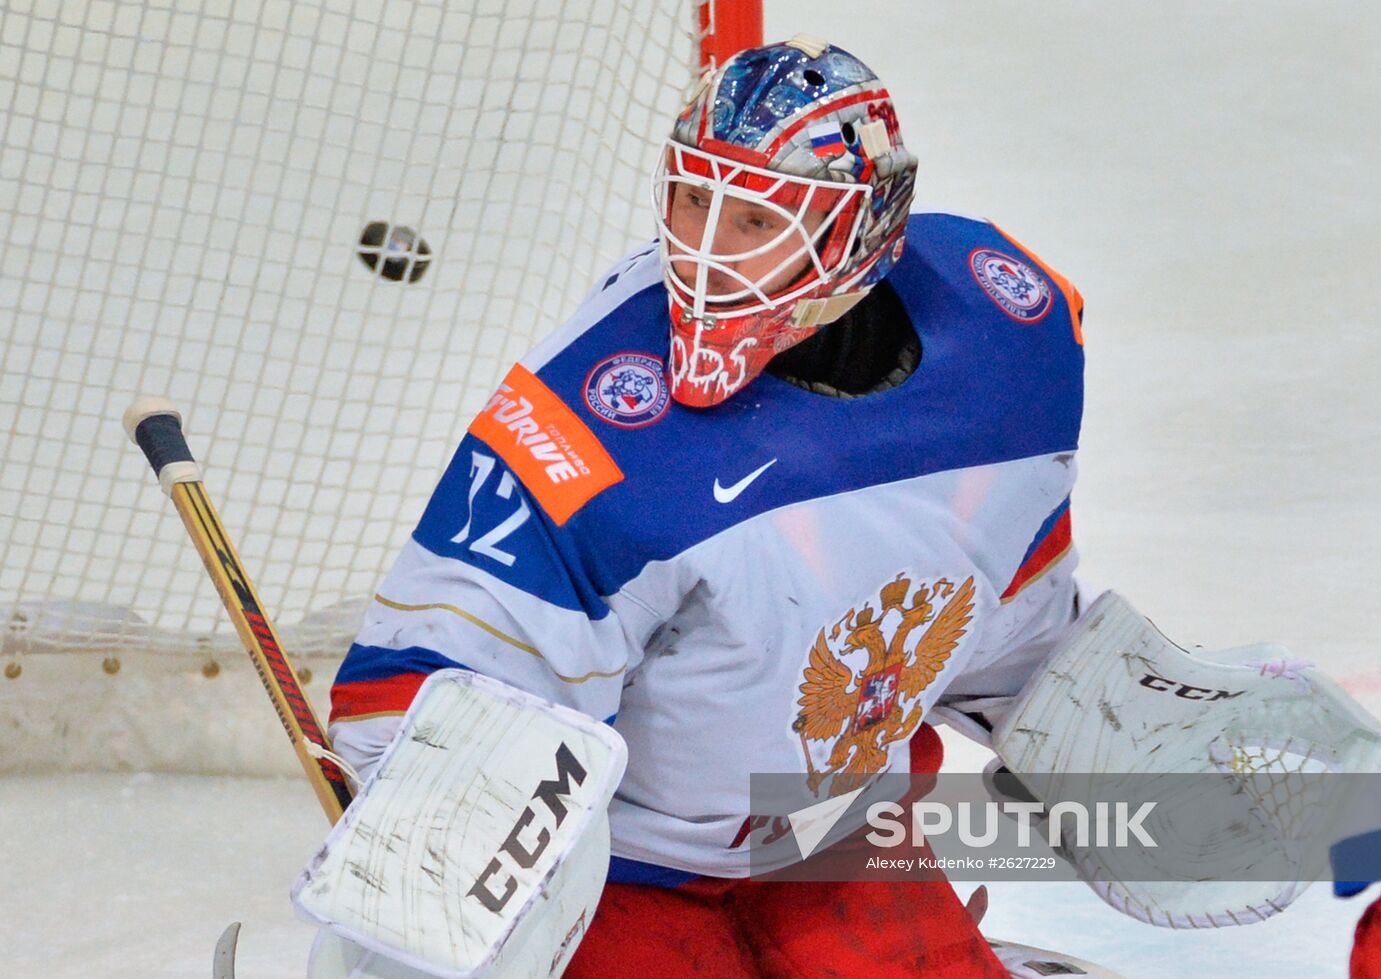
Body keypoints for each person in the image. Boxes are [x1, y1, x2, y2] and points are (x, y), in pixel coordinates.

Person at [328, 36, 1087, 977]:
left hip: (839, 834)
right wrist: (428, 853)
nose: (704, 253)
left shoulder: (1005, 331)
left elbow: (1006, 589)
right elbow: (425, 684)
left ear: (861, 231)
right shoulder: (591, 425)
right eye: (695, 200)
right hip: (620, 868)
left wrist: (1087, 716)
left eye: (755, 218)